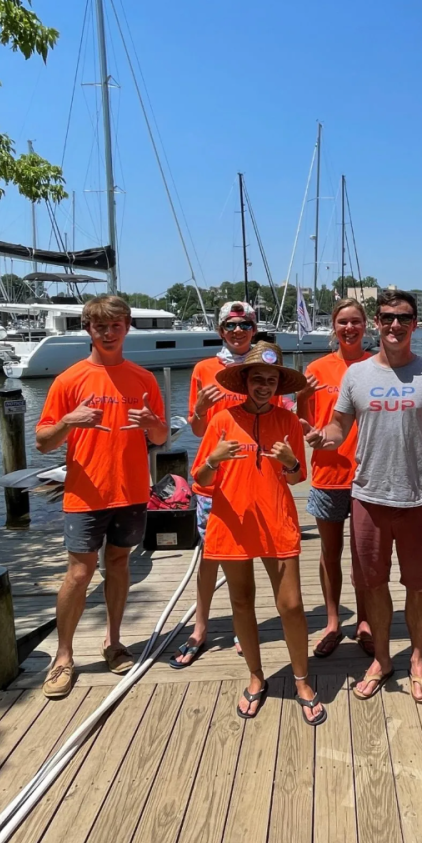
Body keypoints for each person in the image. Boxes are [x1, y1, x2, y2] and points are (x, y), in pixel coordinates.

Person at [306, 289, 422, 705]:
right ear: (377, 322)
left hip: (416, 499)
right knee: (372, 585)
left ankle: (415, 658)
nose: (395, 325)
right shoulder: (356, 375)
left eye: (404, 318)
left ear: (415, 323)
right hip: (368, 497)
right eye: (388, 317)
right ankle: (380, 658)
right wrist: (321, 438)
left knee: (418, 587)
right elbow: (339, 428)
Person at [35, 295, 168, 698]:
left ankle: (113, 641)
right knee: (79, 573)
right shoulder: (69, 380)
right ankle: (63, 657)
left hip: (130, 491)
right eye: (99, 327)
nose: (108, 333)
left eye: (115, 326)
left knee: (119, 563)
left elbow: (160, 437)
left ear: (127, 327)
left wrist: (150, 423)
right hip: (85, 494)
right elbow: (42, 442)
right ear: (88, 330)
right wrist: (69, 421)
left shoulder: (143, 379)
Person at [191, 341, 325, 724]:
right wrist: (213, 461)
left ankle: (301, 678)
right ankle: (255, 675)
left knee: (292, 605)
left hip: (277, 520)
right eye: (257, 379)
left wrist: (292, 461)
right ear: (245, 380)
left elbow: (299, 477)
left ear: (279, 384)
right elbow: (199, 480)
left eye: (271, 380)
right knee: (241, 602)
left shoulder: (287, 421)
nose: (264, 386)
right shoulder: (221, 421)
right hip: (232, 522)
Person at [172, 300, 283, 670]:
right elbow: (199, 429)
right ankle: (200, 628)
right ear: (220, 330)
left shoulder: (264, 365)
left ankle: (243, 625)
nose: (238, 331)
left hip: (258, 479)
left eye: (245, 324)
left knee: (262, 553)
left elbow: (279, 417)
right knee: (211, 556)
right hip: (216, 481)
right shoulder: (204, 369)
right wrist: (201, 408)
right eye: (231, 325)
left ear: (255, 328)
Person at [296, 297, 373, 659]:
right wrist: (300, 399)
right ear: (333, 326)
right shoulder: (317, 368)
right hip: (328, 473)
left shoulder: (377, 366)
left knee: (363, 554)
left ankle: (364, 620)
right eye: (342, 322)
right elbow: (305, 424)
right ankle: (331, 621)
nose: (349, 328)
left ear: (365, 325)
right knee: (330, 552)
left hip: (368, 474)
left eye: (355, 321)